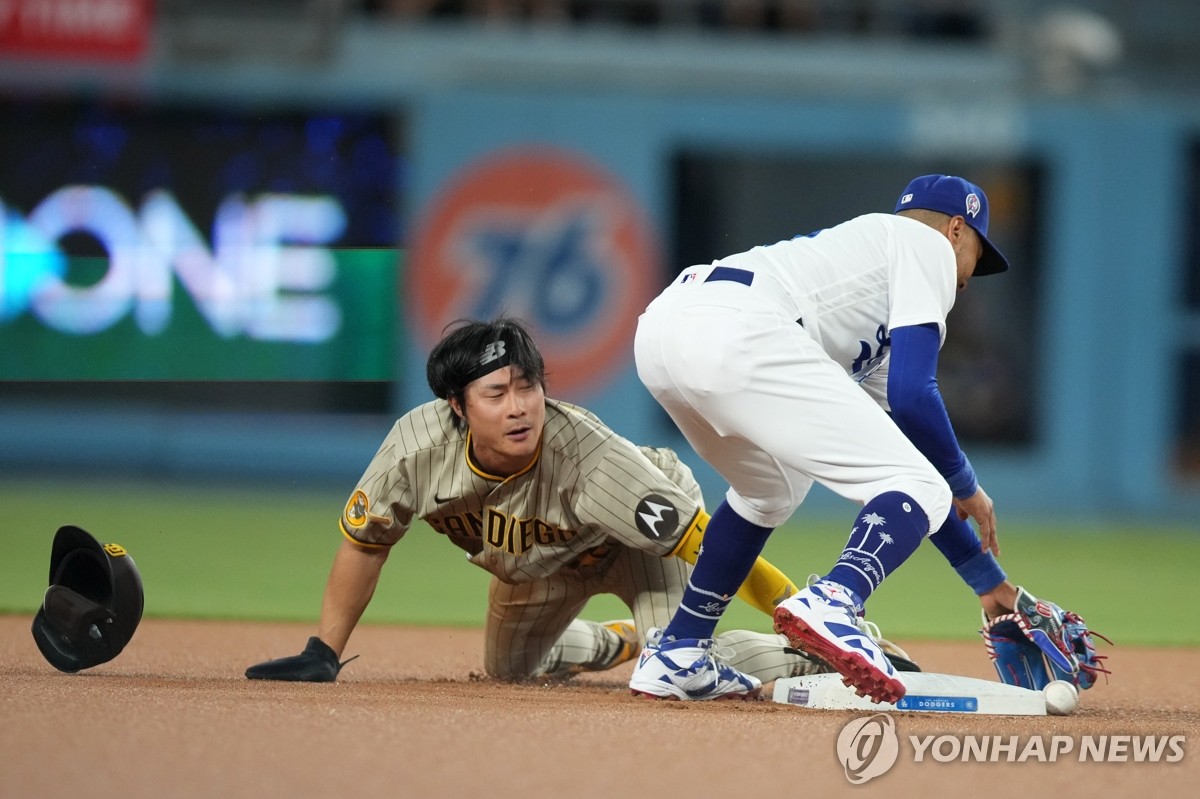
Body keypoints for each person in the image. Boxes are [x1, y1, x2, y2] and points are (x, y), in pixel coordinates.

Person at [628, 174, 1086, 704]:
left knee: (771, 490)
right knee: (924, 484)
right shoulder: (924, 245)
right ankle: (833, 599)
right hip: (739, 330)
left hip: (665, 329)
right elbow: (916, 398)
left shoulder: (868, 294)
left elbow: (906, 444)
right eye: (975, 259)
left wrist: (992, 586)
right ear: (956, 229)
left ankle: (679, 653)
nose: (967, 280)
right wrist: (966, 484)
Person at [245, 316, 869, 693]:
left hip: (637, 543)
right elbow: (366, 543)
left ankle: (805, 656)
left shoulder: (591, 458)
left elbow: (709, 543)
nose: (519, 406)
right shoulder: (414, 448)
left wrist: (806, 615)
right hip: (542, 564)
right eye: (496, 393)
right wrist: (324, 652)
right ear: (457, 407)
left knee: (676, 661)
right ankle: (624, 640)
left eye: (529, 387)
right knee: (510, 671)